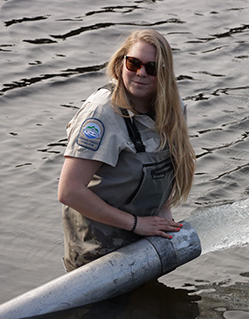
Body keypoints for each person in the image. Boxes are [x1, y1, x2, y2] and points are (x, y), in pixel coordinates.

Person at [58, 29, 196, 272]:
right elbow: (69, 191)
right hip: (96, 252)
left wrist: (164, 221)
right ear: (121, 62)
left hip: (143, 239)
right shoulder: (101, 114)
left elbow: (166, 176)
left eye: (151, 68)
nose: (140, 73)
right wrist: (136, 224)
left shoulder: (174, 110)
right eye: (133, 63)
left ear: (163, 73)